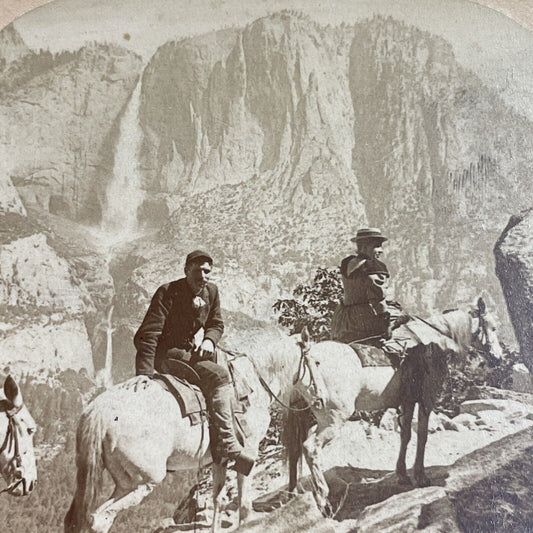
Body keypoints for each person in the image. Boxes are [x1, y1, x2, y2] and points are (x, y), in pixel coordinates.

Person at [134, 249, 254, 475]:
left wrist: (209, 340)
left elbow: (216, 323)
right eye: (198, 270)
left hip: (190, 351)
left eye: (207, 271)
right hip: (167, 354)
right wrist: (144, 372)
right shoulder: (168, 292)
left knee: (228, 367)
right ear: (186, 270)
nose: (203, 276)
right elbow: (149, 333)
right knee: (219, 376)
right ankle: (228, 443)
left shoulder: (211, 291)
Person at [331, 228, 406, 345]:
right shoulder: (373, 268)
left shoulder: (348, 263)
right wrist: (386, 326)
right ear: (364, 247)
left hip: (344, 319)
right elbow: (378, 300)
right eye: (377, 246)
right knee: (406, 323)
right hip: (365, 319)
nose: (381, 251)